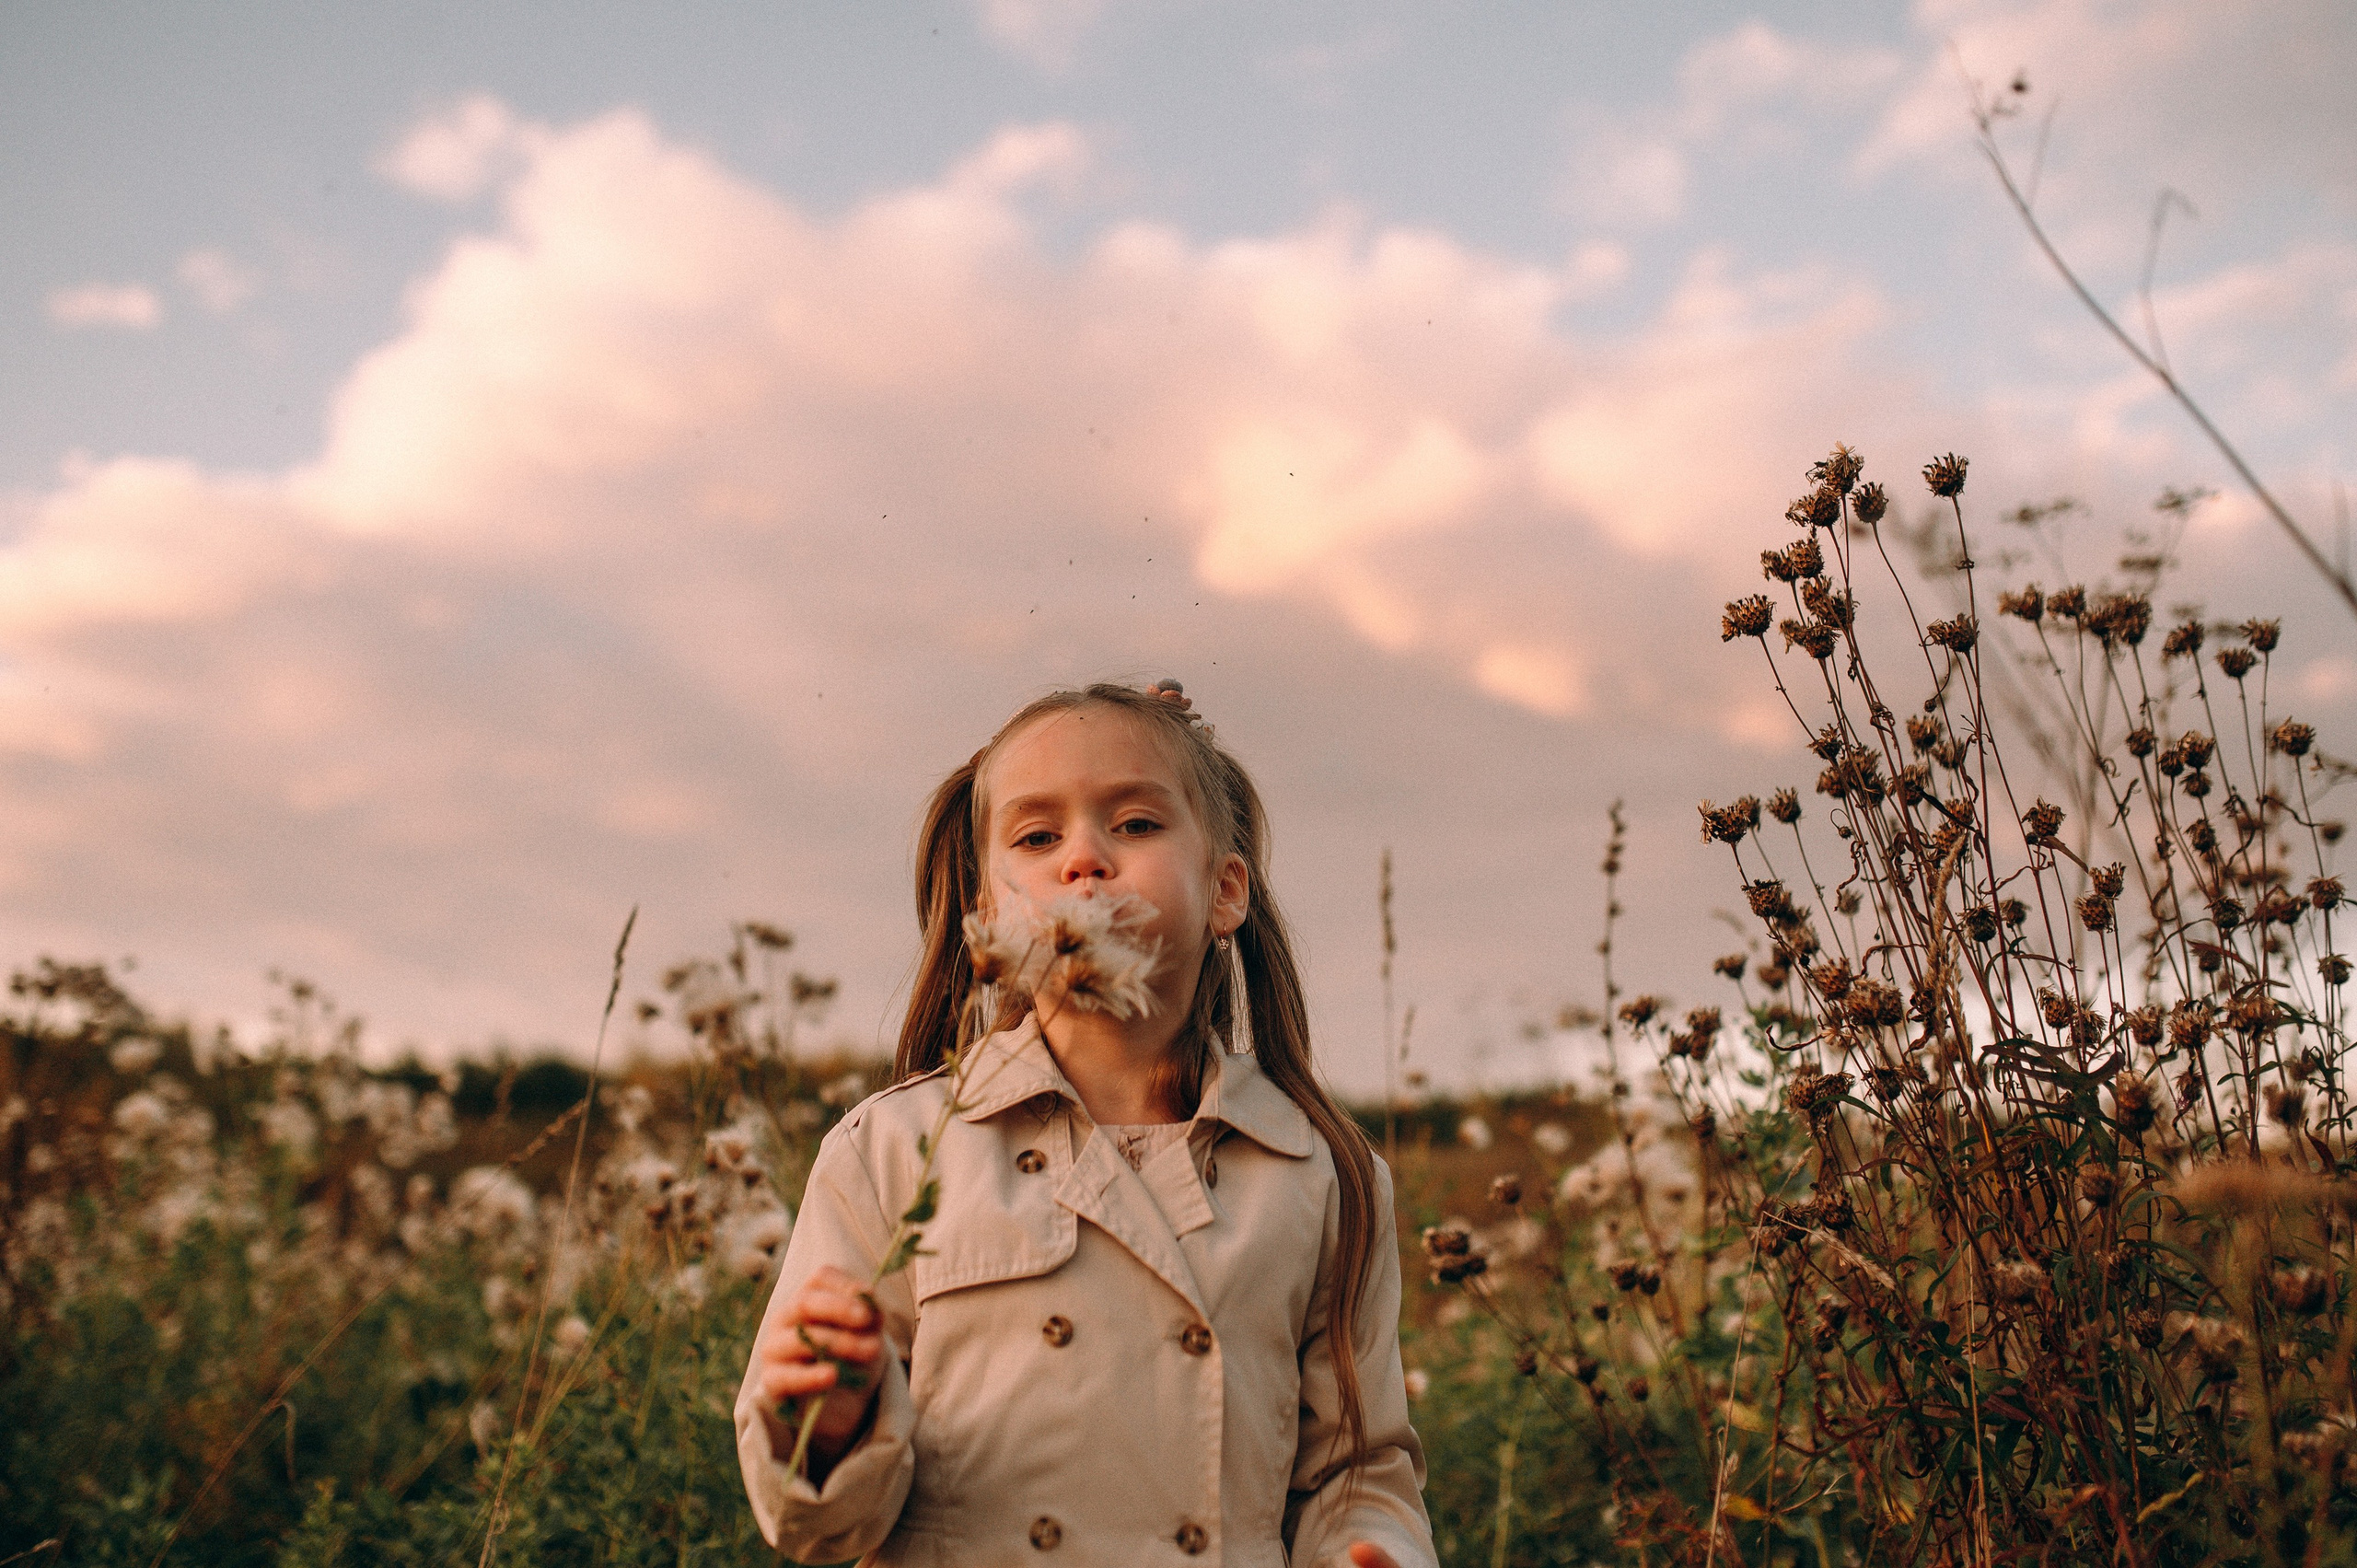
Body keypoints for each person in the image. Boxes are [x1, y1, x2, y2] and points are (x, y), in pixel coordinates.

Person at [735, 679, 1435, 1568]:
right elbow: (816, 1526)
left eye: (1135, 823)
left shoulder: (1321, 1170)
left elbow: (1356, 1469)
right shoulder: (889, 1153)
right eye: (1037, 837)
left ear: (1225, 892)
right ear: (988, 913)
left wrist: (1374, 1550)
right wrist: (830, 1422)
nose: (1085, 858)